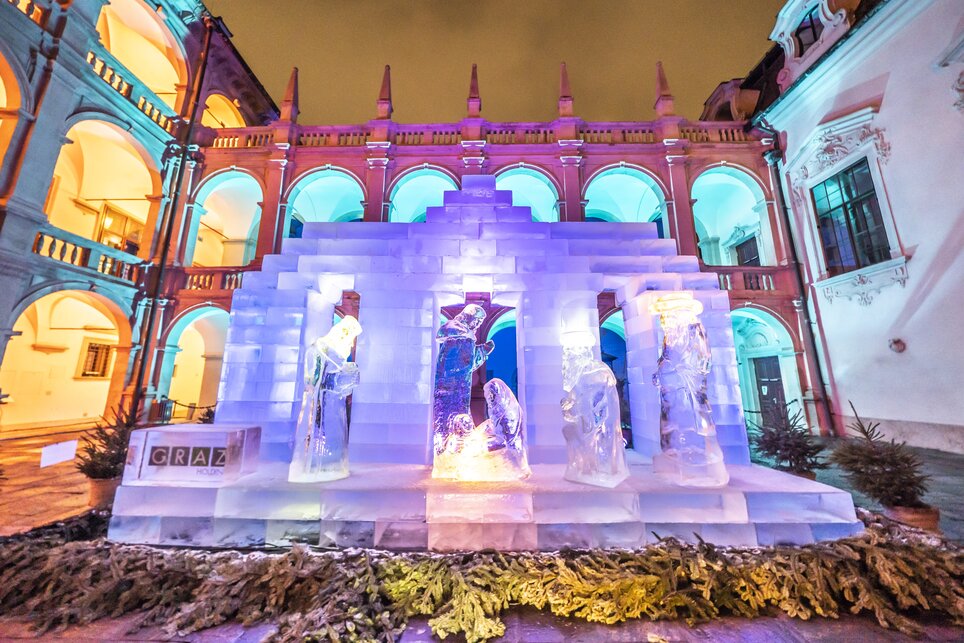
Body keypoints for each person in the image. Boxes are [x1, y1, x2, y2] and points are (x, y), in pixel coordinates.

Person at [288, 315, 361, 482]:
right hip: (321, 408)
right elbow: (316, 382)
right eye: (350, 337)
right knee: (318, 437)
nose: (351, 344)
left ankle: (329, 464)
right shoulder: (319, 350)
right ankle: (315, 466)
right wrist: (343, 378)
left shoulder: (333, 354)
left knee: (333, 436)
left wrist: (349, 377)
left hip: (334, 409)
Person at [432, 304, 493, 457]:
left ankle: (458, 450)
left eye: (480, 322)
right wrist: (464, 332)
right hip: (447, 387)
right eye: (476, 320)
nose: (477, 325)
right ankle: (443, 449)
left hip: (462, 387)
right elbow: (442, 334)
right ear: (468, 316)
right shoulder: (454, 327)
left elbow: (467, 363)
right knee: (446, 418)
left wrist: (483, 351)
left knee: (461, 416)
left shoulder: (469, 337)